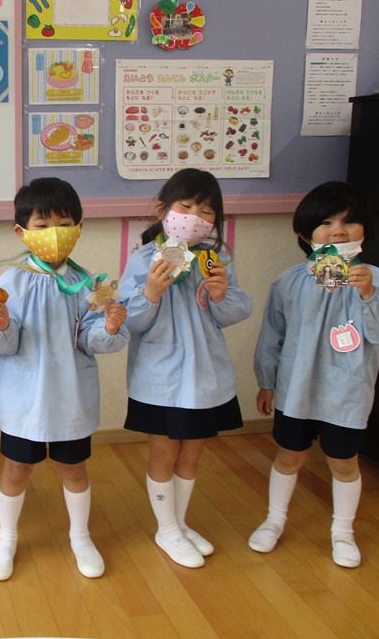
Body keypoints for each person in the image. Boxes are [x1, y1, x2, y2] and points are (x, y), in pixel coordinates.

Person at [250, 181, 379, 568]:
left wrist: (369, 294)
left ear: (365, 231)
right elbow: (272, 335)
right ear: (303, 233)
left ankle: (343, 531)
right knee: (289, 455)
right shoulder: (289, 282)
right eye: (326, 222)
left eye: (349, 221)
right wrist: (267, 381)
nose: (338, 231)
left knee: (344, 462)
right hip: (295, 390)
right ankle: (274, 519)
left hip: (346, 392)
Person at [0, 177, 129, 581]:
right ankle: (6, 538)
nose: (54, 234)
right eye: (42, 225)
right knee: (16, 468)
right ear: (21, 232)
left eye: (64, 224)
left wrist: (109, 327)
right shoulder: (9, 281)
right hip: (24, 398)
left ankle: (81, 536)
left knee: (74, 468)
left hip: (70, 395)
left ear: (78, 228)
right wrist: (0, 324)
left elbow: (90, 340)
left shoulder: (89, 285)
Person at [118, 168, 251, 568]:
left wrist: (222, 295)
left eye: (206, 211)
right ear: (163, 210)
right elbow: (128, 321)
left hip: (204, 376)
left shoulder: (215, 259)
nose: (195, 217)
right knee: (164, 452)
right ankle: (167, 529)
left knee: (191, 456)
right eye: (186, 206)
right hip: (161, 378)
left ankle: (178, 522)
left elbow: (233, 313)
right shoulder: (143, 258)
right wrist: (151, 292)